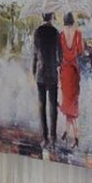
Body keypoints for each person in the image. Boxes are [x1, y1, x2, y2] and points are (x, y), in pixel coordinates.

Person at [32, 11, 61, 149]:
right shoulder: (56, 32)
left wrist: (34, 70)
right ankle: (53, 138)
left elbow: (35, 53)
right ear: (52, 17)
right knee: (53, 105)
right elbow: (60, 55)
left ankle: (45, 138)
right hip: (52, 73)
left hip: (41, 72)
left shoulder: (37, 32)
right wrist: (57, 64)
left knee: (42, 105)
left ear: (42, 17)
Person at [58, 12, 84, 147]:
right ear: (73, 21)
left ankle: (66, 131)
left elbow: (59, 53)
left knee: (67, 102)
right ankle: (75, 135)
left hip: (65, 71)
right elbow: (80, 51)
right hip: (74, 71)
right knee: (72, 104)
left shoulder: (61, 34)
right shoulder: (78, 33)